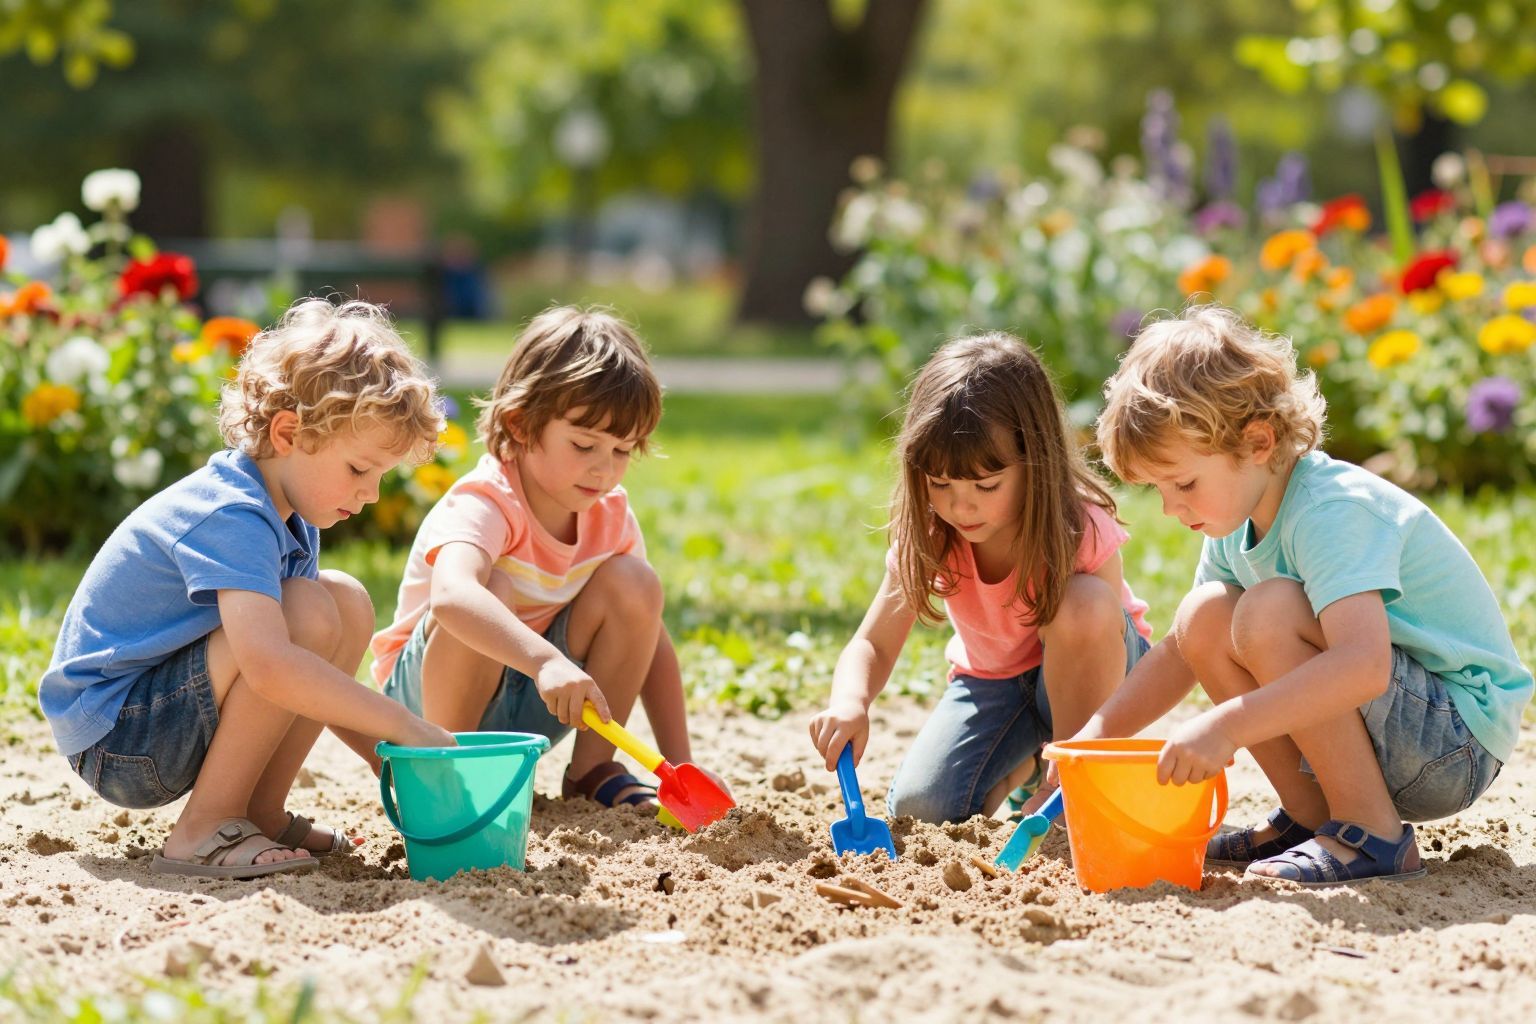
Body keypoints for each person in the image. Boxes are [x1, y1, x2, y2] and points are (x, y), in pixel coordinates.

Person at [1082, 304, 1531, 886]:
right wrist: (1094, 737)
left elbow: (1364, 666)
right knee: (1205, 616)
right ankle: (1313, 819)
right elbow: (1181, 649)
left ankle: (1372, 833)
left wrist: (1226, 727)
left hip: (1453, 741)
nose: (1171, 509)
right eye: (1158, 490)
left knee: (1268, 612)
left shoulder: (1329, 510)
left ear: (1259, 442)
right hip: (1399, 729)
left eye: (1184, 483)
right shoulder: (1240, 519)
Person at [41, 298, 456, 880]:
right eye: (360, 469)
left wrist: (392, 757)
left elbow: (308, 671)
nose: (371, 495)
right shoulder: (231, 512)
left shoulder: (289, 514)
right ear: (289, 432)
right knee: (307, 610)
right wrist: (404, 725)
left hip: (163, 714)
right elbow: (270, 667)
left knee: (345, 602)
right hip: (120, 738)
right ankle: (204, 826)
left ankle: (256, 810)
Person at [371, 306, 713, 810]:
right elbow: (451, 597)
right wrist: (547, 661)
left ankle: (592, 771)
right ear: (522, 424)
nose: (604, 469)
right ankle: (448, 774)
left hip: (539, 695)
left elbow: (647, 632)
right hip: (426, 708)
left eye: (622, 451)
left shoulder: (609, 515)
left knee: (635, 583)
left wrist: (681, 767)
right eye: (583, 444)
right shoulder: (486, 500)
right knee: (493, 592)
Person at [808, 332, 1152, 824]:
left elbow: (1102, 626)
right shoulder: (933, 534)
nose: (960, 505)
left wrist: (1074, 760)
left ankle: (1074, 780)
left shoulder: (1079, 525)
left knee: (1083, 604)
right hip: (996, 682)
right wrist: (849, 701)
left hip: (1099, 674)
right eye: (940, 483)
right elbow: (873, 644)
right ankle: (1025, 768)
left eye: (986, 485)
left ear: (1036, 462)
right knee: (921, 809)